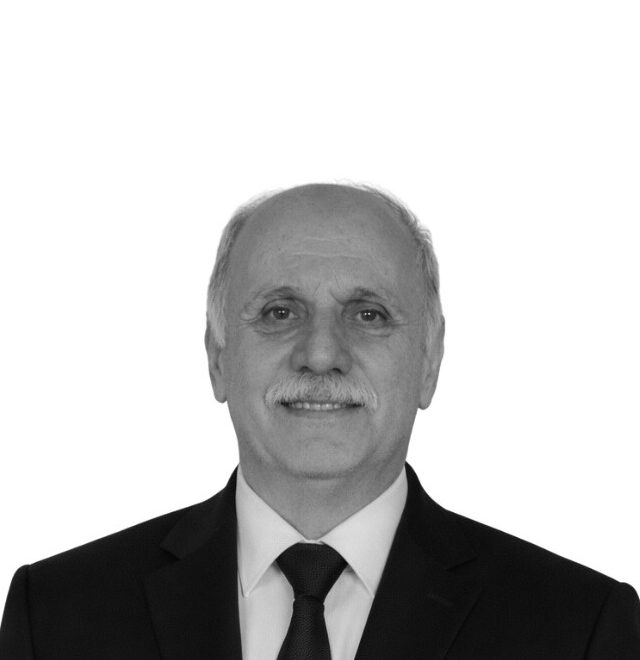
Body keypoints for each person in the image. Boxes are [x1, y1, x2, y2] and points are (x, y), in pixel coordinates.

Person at [1, 183, 638, 659]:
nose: (322, 354)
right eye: (279, 312)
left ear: (429, 360)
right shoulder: (54, 617)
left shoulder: (580, 628)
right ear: (218, 357)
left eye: (369, 314)